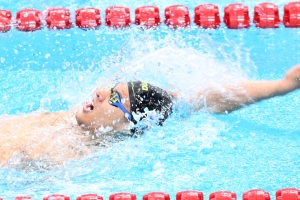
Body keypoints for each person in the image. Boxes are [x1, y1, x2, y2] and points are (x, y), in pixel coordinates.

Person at [1, 64, 300, 167]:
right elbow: (200, 98)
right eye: (108, 88)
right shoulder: (78, 121)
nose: (99, 93)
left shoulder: (70, 155)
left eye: (114, 98)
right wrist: (281, 85)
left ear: (127, 127)